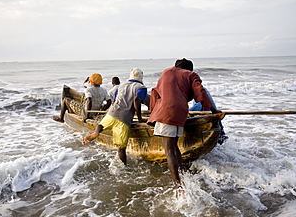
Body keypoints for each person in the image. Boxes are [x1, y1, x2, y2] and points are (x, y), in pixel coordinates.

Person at [147, 58, 221, 192]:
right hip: (181, 112)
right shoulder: (191, 75)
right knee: (174, 147)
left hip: (165, 111)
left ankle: (178, 186)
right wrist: (214, 111)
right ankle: (181, 176)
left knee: (169, 149)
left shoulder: (166, 72)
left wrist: (153, 114)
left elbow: (155, 93)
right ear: (189, 69)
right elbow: (201, 93)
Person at [82, 68, 148, 165]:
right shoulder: (141, 87)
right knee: (121, 148)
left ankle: (96, 132)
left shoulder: (121, 85)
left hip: (112, 113)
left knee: (101, 125)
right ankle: (124, 168)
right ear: (141, 77)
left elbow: (114, 101)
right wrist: (140, 118)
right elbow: (137, 100)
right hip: (124, 118)